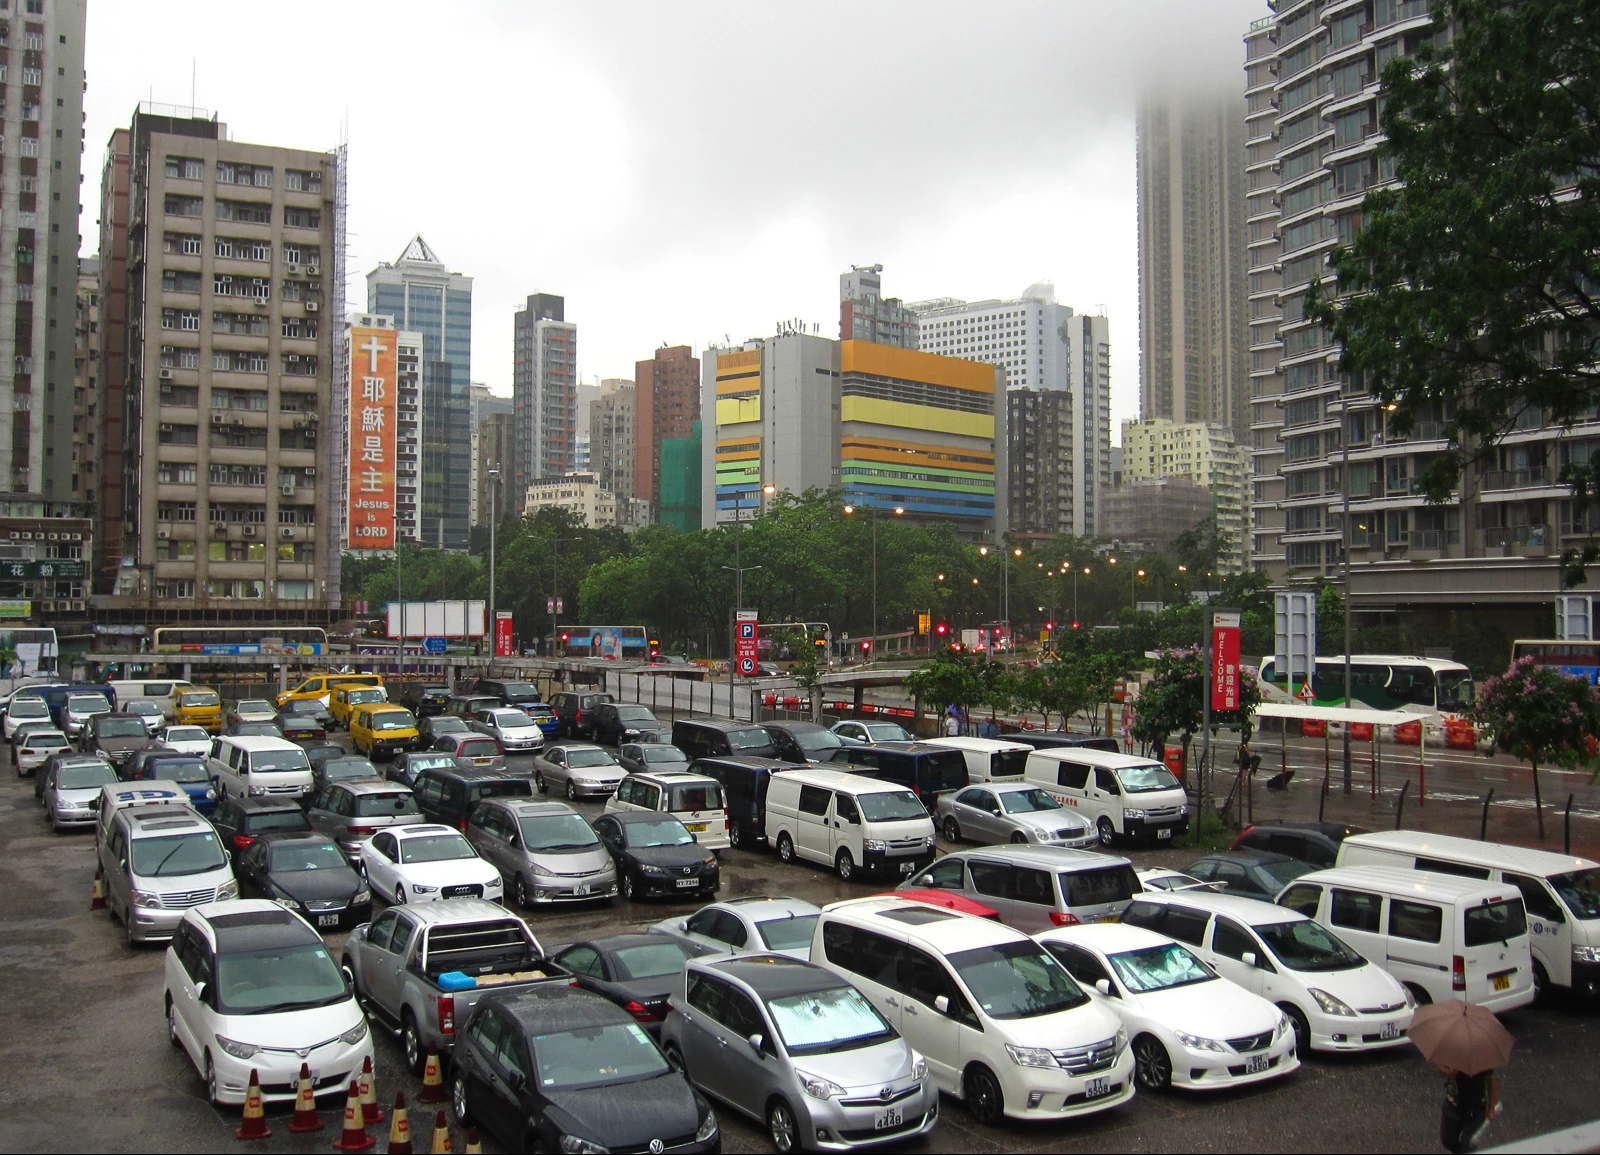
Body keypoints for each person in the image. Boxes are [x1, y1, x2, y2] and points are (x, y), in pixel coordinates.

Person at [1440, 1066, 1498, 1153]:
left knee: (1467, 1143)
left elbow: (1491, 1081)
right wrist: (1447, 1072)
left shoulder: (1480, 1058)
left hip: (1475, 1109)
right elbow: (1441, 1067)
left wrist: (1491, 1107)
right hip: (1453, 1105)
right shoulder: (1450, 1054)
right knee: (1447, 1140)